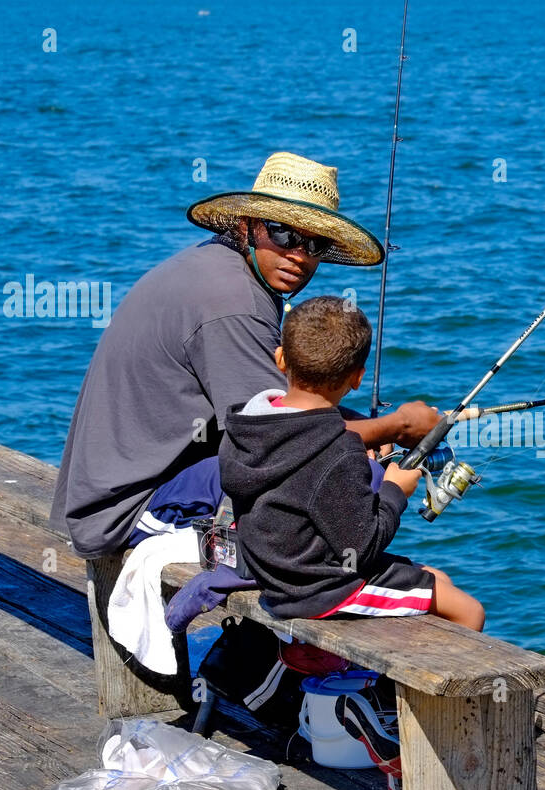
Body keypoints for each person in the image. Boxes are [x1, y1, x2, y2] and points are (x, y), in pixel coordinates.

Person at [50, 152, 439, 559]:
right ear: (247, 226)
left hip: (112, 491)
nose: (300, 255)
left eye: (315, 243)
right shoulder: (235, 304)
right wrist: (395, 426)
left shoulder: (217, 266)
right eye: (283, 233)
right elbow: (283, 437)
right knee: (346, 474)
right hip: (126, 511)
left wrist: (368, 427)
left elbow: (277, 412)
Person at [220, 295, 486, 631]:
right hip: (319, 590)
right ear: (357, 378)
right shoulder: (338, 449)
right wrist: (395, 490)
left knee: (438, 578)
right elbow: (363, 545)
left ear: (281, 359)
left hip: (277, 572)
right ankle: (370, 675)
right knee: (468, 611)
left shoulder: (245, 424)